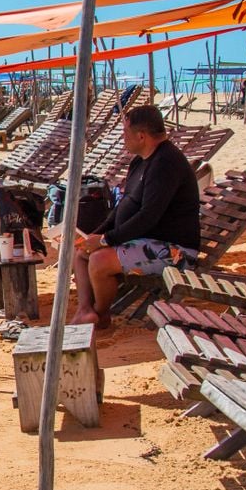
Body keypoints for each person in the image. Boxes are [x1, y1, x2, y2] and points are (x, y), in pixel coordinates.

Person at [71, 106, 200, 328]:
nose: (123, 138)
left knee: (99, 260)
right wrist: (96, 234)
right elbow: (124, 207)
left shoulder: (166, 163)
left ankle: (101, 316)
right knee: (81, 253)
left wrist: (105, 241)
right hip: (144, 240)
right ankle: (85, 311)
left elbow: (148, 216)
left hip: (175, 250)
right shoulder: (140, 162)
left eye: (125, 132)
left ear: (141, 136)